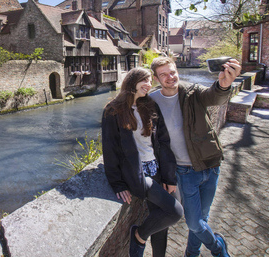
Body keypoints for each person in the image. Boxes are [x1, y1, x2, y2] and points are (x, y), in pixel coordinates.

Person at [150, 56, 241, 257]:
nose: (169, 77)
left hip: (211, 164)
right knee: (193, 221)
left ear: (177, 71)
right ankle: (218, 249)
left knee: (202, 218)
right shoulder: (151, 101)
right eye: (163, 74)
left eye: (172, 71)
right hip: (184, 171)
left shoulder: (193, 92)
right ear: (156, 78)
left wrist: (224, 85)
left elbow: (214, 96)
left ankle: (192, 254)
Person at [101, 67, 183, 257]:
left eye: (149, 80)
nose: (148, 85)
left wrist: (169, 177)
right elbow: (109, 149)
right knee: (175, 212)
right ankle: (138, 235)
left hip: (157, 169)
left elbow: (163, 142)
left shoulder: (150, 106)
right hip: (137, 173)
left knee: (163, 224)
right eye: (143, 80)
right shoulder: (113, 110)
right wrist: (117, 183)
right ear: (132, 81)